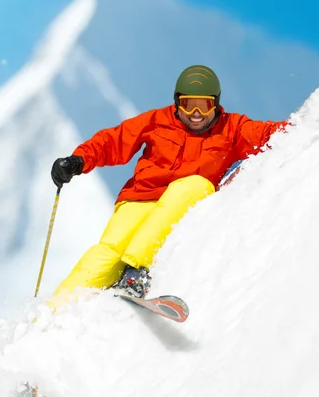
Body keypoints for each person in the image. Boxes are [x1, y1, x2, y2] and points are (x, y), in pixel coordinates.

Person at [50, 65, 287, 303]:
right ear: (176, 103)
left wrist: (315, 116)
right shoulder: (157, 121)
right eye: (188, 104)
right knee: (109, 251)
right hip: (139, 197)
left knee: (194, 184)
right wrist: (78, 161)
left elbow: (269, 133)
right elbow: (114, 140)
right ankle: (54, 311)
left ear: (215, 103)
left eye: (204, 105)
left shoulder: (232, 128)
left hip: (182, 201)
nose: (196, 113)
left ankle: (135, 272)